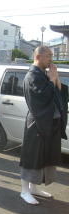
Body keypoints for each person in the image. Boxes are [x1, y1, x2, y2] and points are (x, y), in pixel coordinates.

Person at [20, 46, 67, 205]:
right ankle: (24, 190)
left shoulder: (44, 75)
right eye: (49, 56)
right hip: (38, 124)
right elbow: (42, 97)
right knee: (32, 157)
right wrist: (52, 80)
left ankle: (34, 187)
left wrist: (55, 78)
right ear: (38, 56)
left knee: (43, 157)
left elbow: (59, 93)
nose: (51, 59)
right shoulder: (32, 75)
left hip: (49, 124)